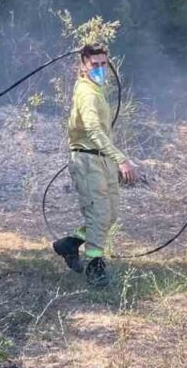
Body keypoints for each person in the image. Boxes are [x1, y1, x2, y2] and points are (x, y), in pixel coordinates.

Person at [52, 45, 137, 286]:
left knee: (110, 214)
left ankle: (70, 244)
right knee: (98, 213)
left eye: (103, 64)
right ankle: (95, 267)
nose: (100, 69)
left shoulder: (96, 90)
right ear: (83, 65)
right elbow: (92, 129)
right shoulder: (86, 94)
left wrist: (112, 158)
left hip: (102, 158)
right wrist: (121, 158)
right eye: (94, 65)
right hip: (88, 159)